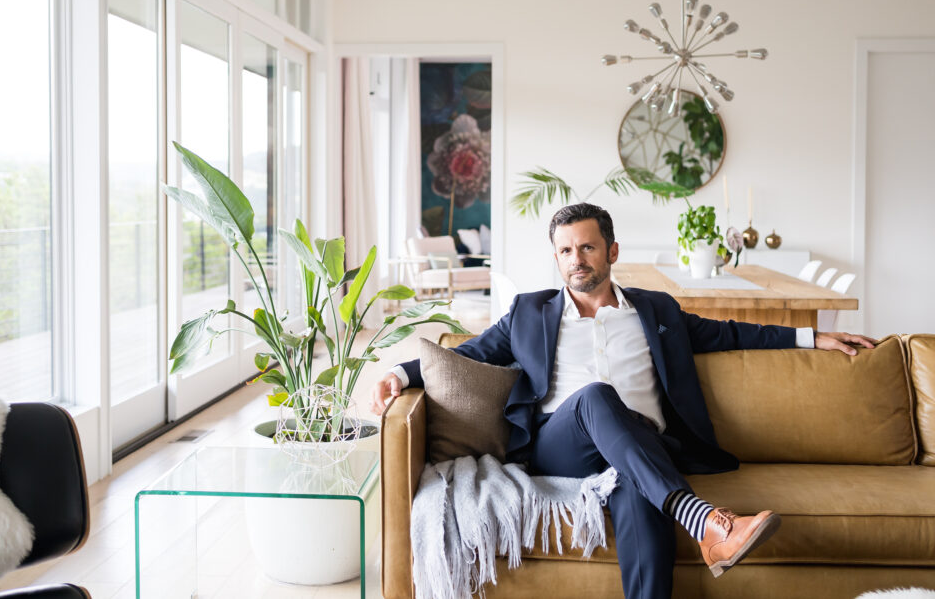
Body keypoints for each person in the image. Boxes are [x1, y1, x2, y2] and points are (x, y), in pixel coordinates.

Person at [371, 202, 876, 599]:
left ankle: (686, 520)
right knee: (596, 396)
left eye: (587, 248)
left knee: (640, 492)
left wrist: (811, 339)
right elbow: (467, 355)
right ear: (556, 258)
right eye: (565, 251)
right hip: (562, 446)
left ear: (612, 252)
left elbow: (727, 333)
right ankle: (705, 521)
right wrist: (397, 372)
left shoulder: (655, 309)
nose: (576, 261)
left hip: (646, 449)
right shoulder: (530, 314)